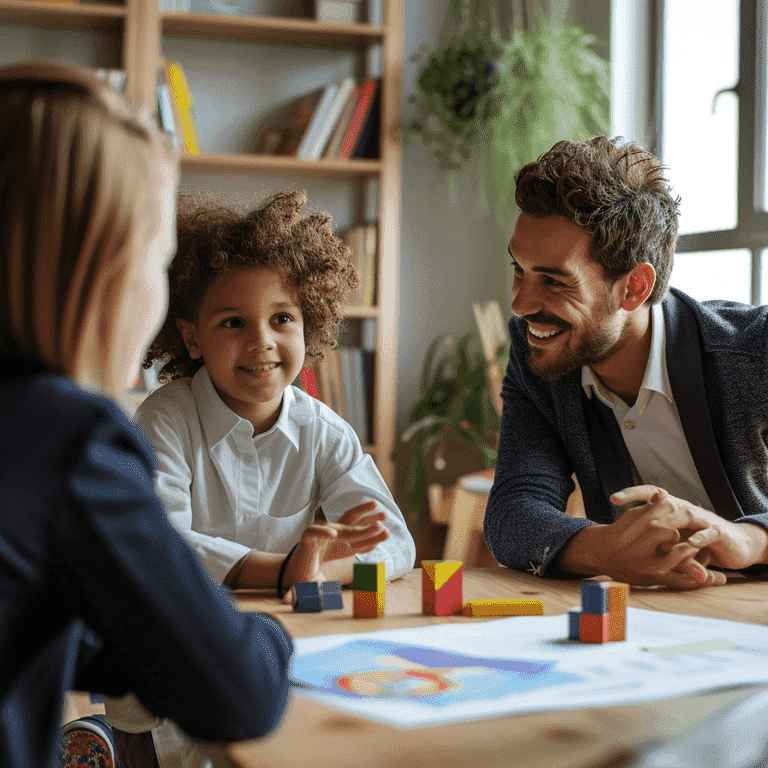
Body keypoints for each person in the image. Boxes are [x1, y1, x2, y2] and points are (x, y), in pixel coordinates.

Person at [0, 61, 296, 768]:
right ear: (99, 269)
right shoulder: (69, 439)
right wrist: (277, 638)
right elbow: (240, 695)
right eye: (154, 264)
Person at [104, 190, 416, 767]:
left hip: (268, 665)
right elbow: (160, 548)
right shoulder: (164, 420)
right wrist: (282, 570)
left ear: (310, 323)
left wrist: (323, 567)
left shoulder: (325, 430)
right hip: (160, 684)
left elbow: (395, 541)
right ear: (192, 337)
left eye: (281, 319)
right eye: (232, 322)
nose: (262, 342)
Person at [484, 135, 768, 590]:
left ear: (634, 288)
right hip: (655, 624)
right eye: (520, 269)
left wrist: (748, 540)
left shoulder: (756, 351)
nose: (520, 305)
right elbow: (514, 509)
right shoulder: (541, 351)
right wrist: (602, 549)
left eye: (554, 280)